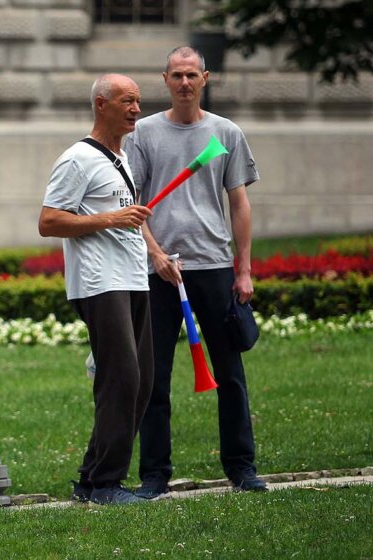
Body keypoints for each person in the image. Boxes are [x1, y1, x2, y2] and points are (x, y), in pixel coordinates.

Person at [125, 46, 266, 499]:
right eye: (176, 75)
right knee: (154, 378)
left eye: (192, 75)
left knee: (230, 374)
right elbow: (133, 205)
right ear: (164, 79)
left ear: (205, 78)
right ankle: (154, 475)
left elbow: (238, 204)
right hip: (159, 271)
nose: (184, 83)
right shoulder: (143, 134)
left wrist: (242, 271)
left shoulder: (226, 132)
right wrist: (156, 256)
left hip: (213, 267)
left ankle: (242, 468)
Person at [39, 74, 154, 505]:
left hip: (132, 279)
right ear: (101, 104)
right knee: (121, 379)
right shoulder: (77, 159)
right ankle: (106, 484)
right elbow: (49, 221)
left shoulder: (119, 158)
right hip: (99, 282)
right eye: (127, 101)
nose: (136, 109)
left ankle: (91, 479)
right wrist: (109, 219)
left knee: (140, 382)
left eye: (139, 102)